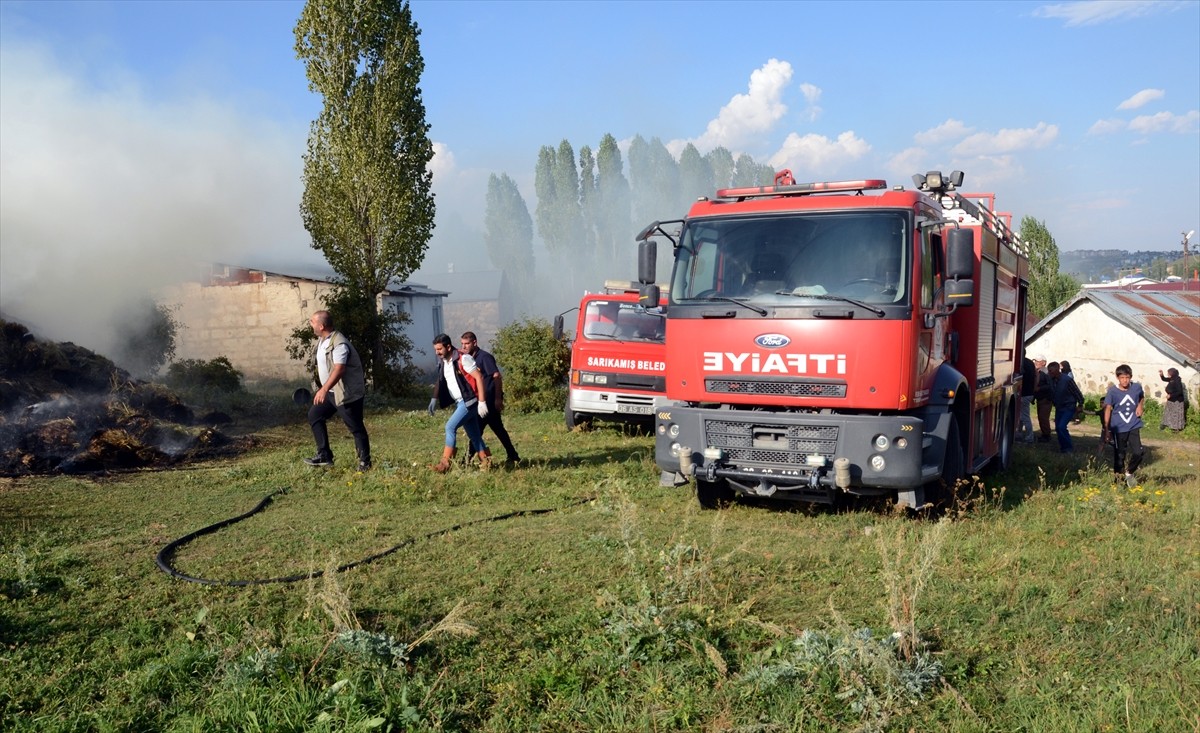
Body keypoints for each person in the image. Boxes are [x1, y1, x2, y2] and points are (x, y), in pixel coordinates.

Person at [304, 310, 371, 470]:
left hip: (344, 393)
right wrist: (323, 389)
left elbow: (339, 369)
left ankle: (365, 463)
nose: (310, 324)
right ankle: (324, 455)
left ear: (321, 326)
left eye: (312, 321)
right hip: (330, 392)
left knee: (355, 427)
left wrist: (324, 389)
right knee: (315, 415)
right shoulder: (323, 340)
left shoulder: (339, 343)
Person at [428, 333, 493, 473]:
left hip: (469, 401)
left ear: (448, 347)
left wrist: (482, 402)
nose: (437, 352)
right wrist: (434, 398)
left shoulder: (464, 359)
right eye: (436, 349)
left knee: (450, 427)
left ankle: (445, 464)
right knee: (475, 435)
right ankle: (486, 463)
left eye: (439, 349)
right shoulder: (444, 361)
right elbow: (440, 381)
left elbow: (479, 377)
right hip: (460, 402)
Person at [460, 331, 521, 465]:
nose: (464, 347)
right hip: (479, 402)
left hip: (489, 401)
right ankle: (513, 455)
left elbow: (497, 377)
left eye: (467, 343)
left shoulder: (484, 357)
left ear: (474, 343)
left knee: (478, 431)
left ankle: (466, 460)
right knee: (497, 429)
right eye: (462, 344)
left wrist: (498, 398)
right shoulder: (467, 359)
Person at [1103, 364, 1146, 487]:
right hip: (1119, 426)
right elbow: (1107, 409)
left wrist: (1140, 406)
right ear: (1118, 378)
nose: (1125, 380)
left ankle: (1129, 472)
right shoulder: (1113, 391)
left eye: (1127, 377)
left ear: (1130, 377)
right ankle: (1118, 481)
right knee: (1120, 454)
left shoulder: (1136, 387)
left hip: (1133, 424)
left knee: (1139, 452)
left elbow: (1141, 397)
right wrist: (1107, 429)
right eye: (1122, 377)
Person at [1048, 361, 1084, 453]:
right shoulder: (1051, 380)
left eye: (1051, 371)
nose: (1049, 373)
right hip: (1059, 407)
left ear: (1057, 370)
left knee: (1061, 426)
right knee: (1058, 428)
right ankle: (1063, 447)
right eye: (1049, 371)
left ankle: (1068, 448)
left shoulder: (1067, 380)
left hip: (1069, 406)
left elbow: (1077, 392)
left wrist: (1080, 404)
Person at [1033, 355, 1053, 442]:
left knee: (1043, 417)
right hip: (1040, 398)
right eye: (1035, 361)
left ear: (1043, 362)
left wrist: (1040, 388)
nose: (1036, 363)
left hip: (1046, 398)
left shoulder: (1046, 372)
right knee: (1041, 417)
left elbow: (1049, 385)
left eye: (1038, 361)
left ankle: (1046, 435)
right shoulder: (1038, 372)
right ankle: (1044, 434)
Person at [1019, 355, 1037, 443]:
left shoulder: (1021, 363)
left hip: (1024, 393)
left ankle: (1029, 437)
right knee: (1021, 415)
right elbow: (1036, 377)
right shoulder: (1030, 363)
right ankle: (1019, 434)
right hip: (1029, 392)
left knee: (1024, 416)